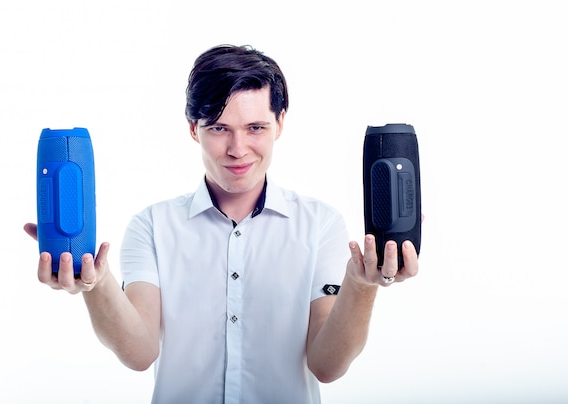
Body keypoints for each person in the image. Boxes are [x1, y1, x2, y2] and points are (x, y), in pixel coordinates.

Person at [24, 44, 419, 403]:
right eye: (218, 128)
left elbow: (327, 365)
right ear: (193, 128)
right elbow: (139, 352)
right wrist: (95, 283)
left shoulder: (320, 225)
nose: (237, 149)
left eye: (255, 128)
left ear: (280, 123)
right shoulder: (152, 226)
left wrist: (361, 285)